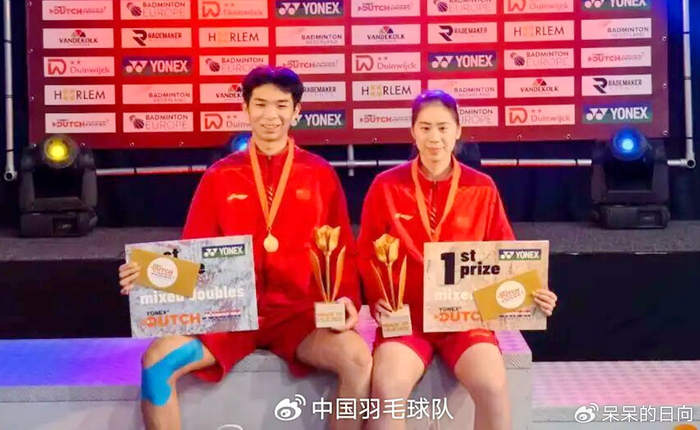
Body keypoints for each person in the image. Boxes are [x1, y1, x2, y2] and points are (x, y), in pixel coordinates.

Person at [118, 66, 372, 430]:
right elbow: (193, 253)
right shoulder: (220, 176)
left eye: (281, 105)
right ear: (245, 108)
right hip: (230, 316)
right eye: (261, 104)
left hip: (298, 316)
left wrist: (347, 299)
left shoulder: (319, 175)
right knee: (156, 362)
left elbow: (342, 250)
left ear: (296, 111)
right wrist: (148, 277)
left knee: (358, 361)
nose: (271, 115)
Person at [357, 90, 558, 430]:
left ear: (458, 130)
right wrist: (380, 302)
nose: (434, 138)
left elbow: (506, 255)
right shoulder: (385, 186)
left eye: (443, 127)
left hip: (465, 320)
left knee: (492, 387)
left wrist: (533, 293)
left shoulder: (482, 187)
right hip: (407, 321)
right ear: (412, 131)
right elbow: (366, 255)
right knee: (388, 389)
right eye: (425, 128)